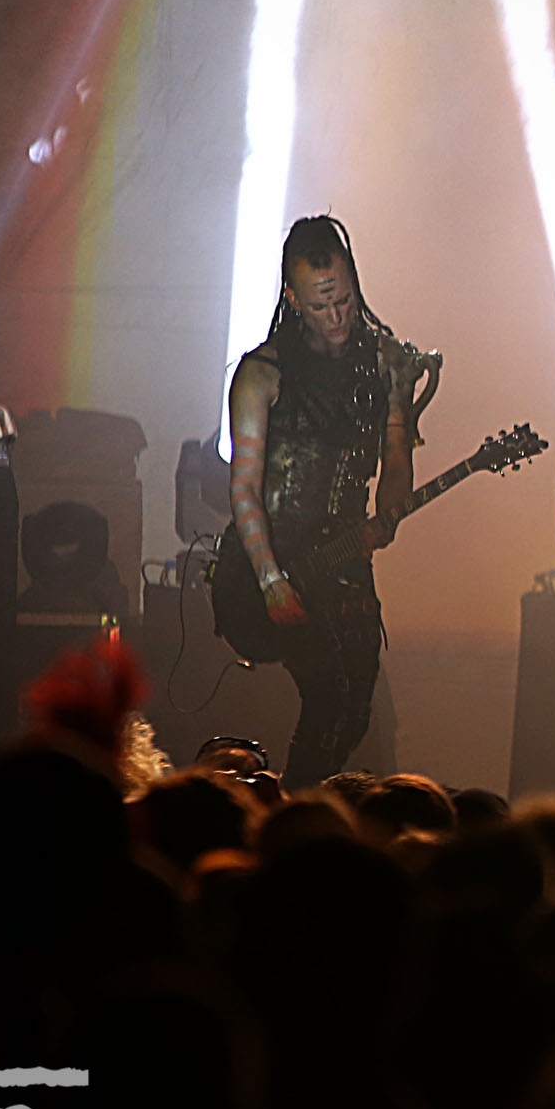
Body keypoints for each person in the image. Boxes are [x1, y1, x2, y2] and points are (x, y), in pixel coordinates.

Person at [225, 216, 431, 787]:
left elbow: (394, 478)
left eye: (343, 300)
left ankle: (300, 800)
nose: (337, 317)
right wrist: (269, 577)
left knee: (357, 705)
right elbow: (244, 487)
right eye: (321, 306)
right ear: (294, 300)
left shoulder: (380, 362)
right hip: (272, 561)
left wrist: (399, 402)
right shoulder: (261, 374)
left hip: (344, 558)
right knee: (328, 690)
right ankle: (291, 808)